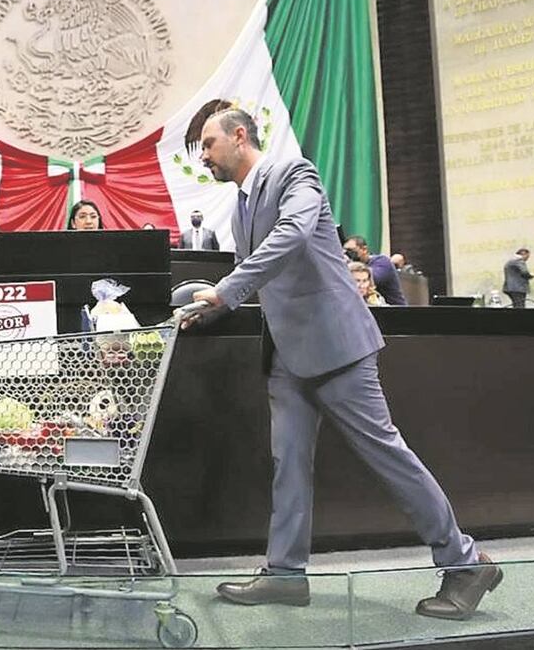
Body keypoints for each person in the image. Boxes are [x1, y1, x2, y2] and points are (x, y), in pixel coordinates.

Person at [185, 108, 501, 620]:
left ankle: (465, 563)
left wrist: (224, 291)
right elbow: (264, 280)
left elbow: (291, 237)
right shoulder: (241, 206)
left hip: (336, 349)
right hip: (287, 356)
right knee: (287, 463)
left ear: (239, 136)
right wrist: (207, 311)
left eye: (208, 143)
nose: (203, 156)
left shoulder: (295, 174)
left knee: (386, 455)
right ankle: (286, 574)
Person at [344, 236, 406, 306]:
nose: (347, 254)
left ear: (364, 249)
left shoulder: (382, 262)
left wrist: (347, 265)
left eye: (350, 250)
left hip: (394, 310)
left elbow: (371, 280)